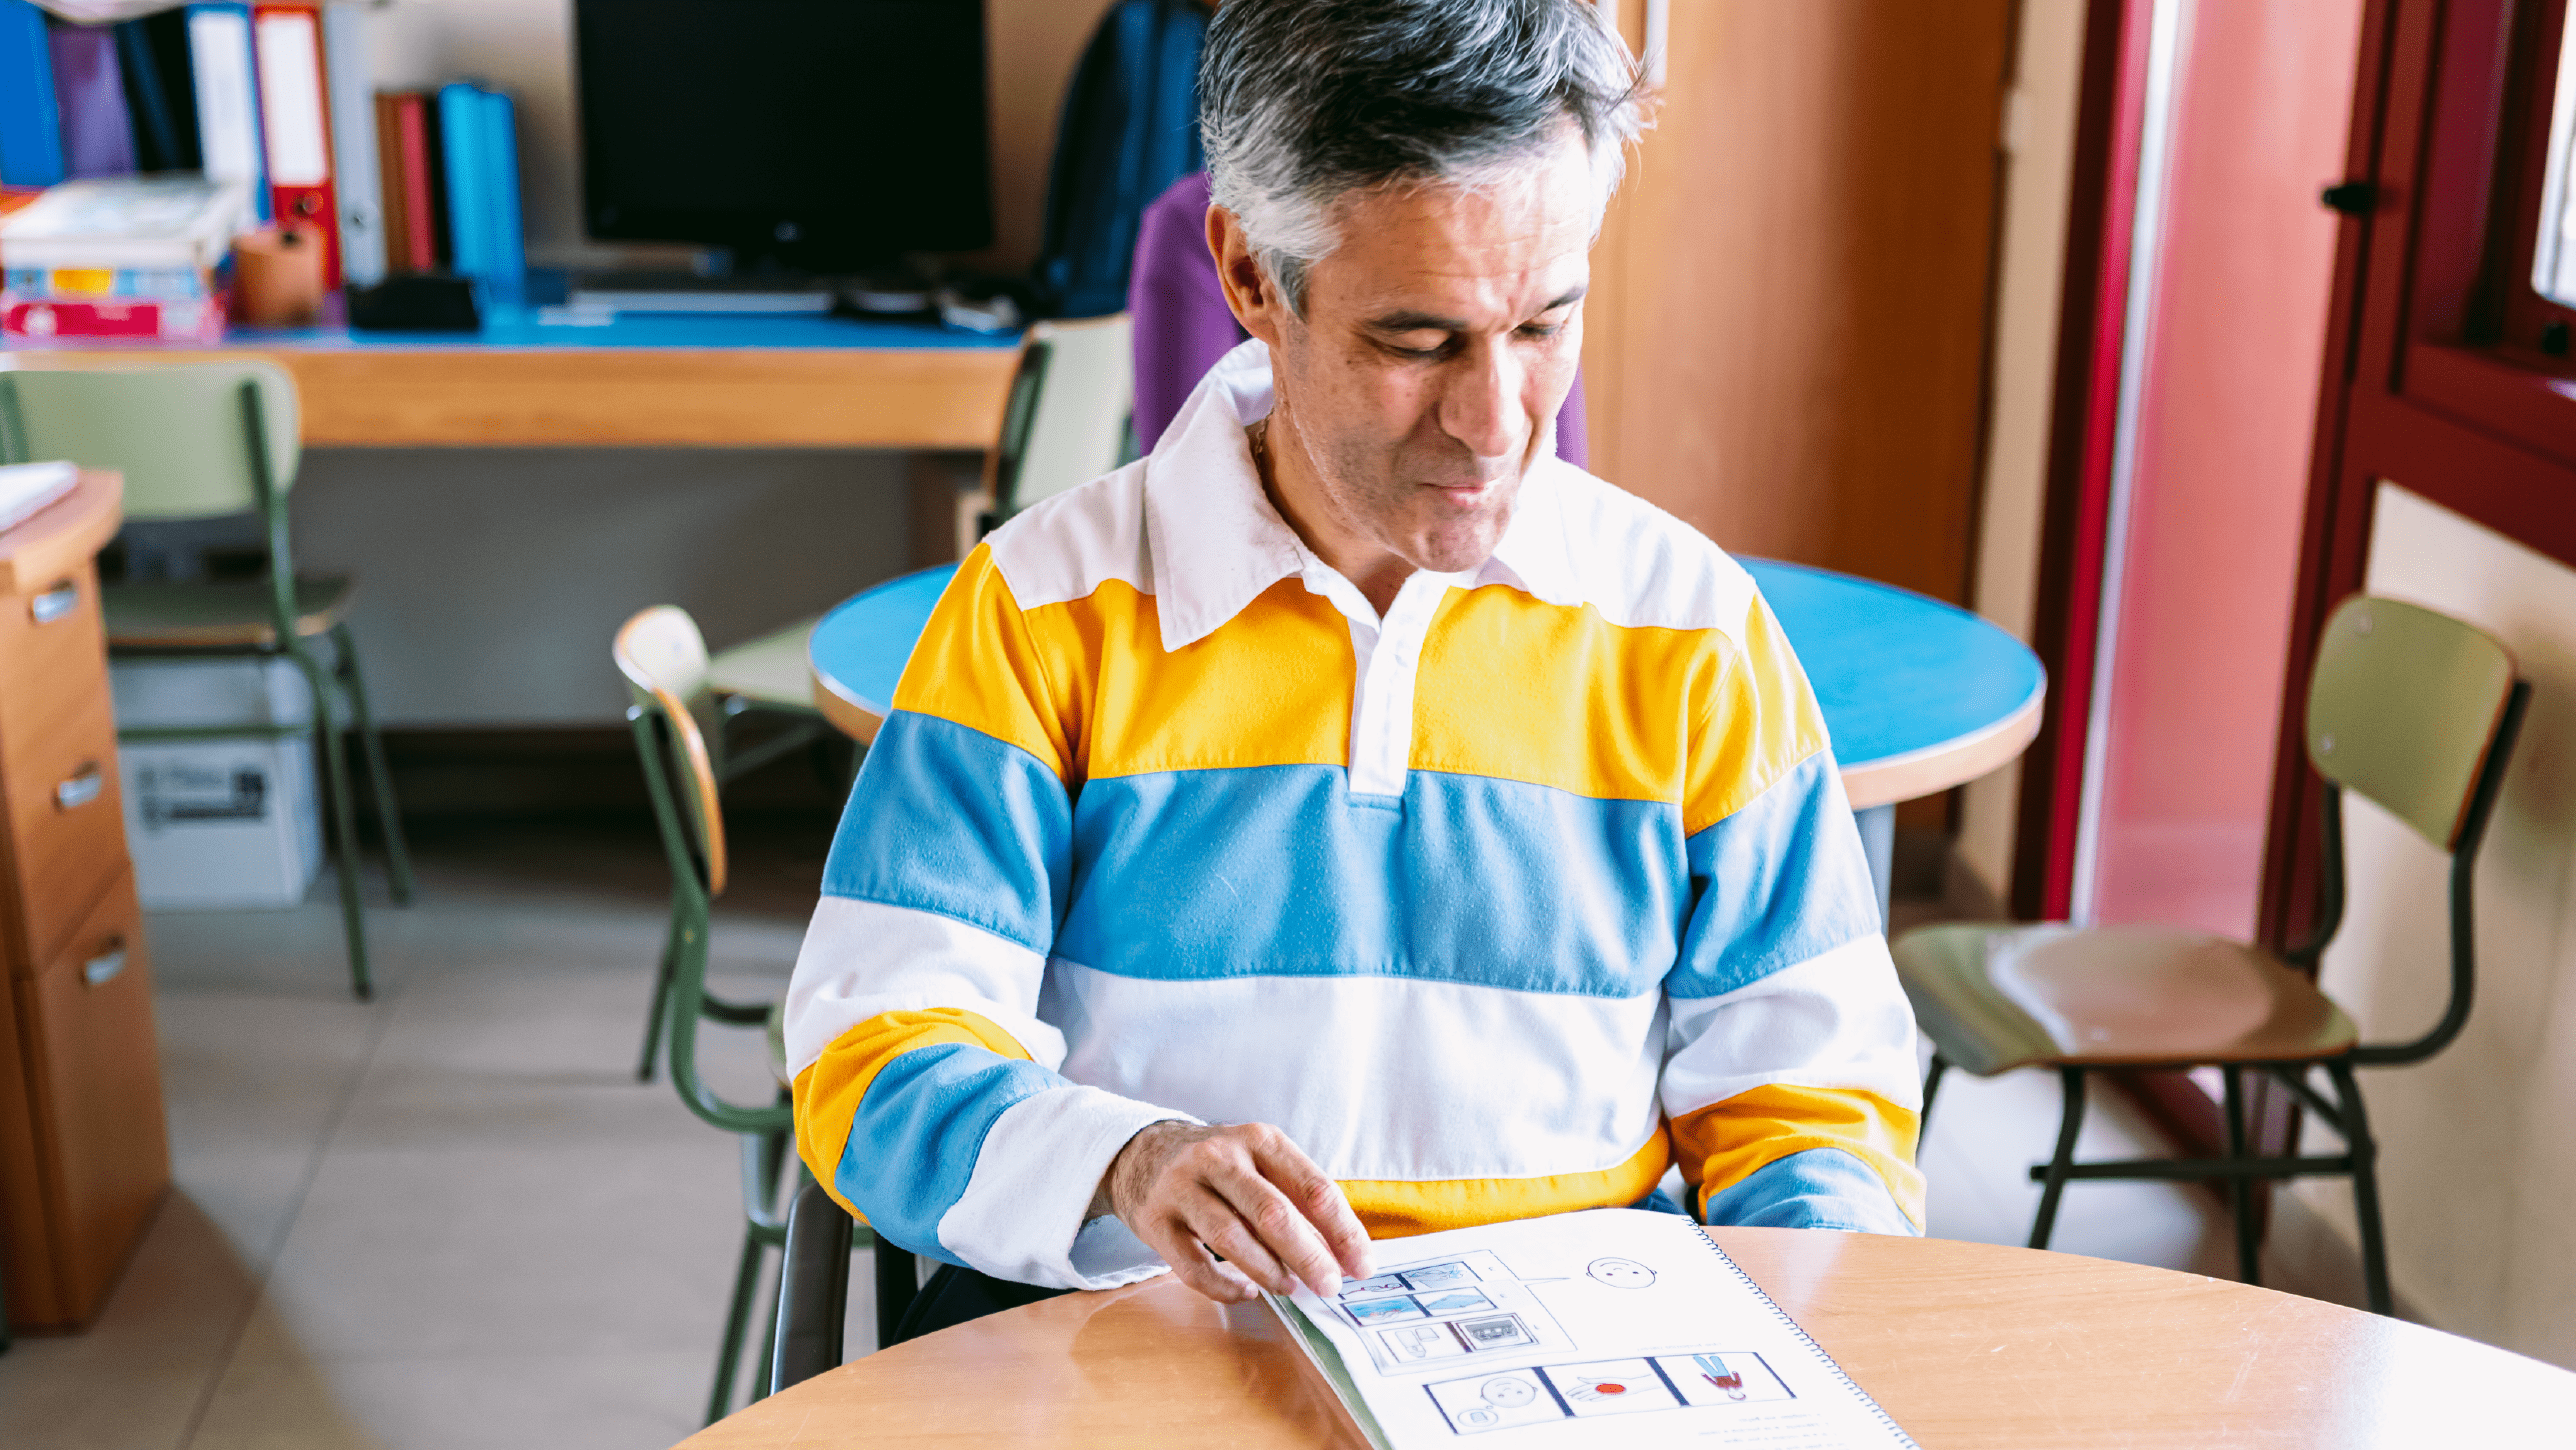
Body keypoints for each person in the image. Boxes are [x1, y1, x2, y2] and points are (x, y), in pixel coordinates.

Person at [785, 0, 1925, 1339]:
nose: (1495, 423)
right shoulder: (1042, 612)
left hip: (1567, 1371)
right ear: (1252, 274)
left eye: (1546, 323)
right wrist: (1123, 1160)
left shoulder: (1693, 634)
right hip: (1140, 1346)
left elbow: (1814, 1094)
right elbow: (876, 1051)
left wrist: (1797, 1350)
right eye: (1418, 341)